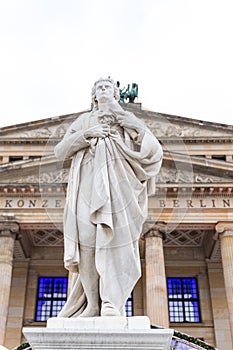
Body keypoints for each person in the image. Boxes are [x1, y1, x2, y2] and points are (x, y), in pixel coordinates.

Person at [54, 77, 163, 317]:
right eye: (99, 88)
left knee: (114, 241)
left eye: (108, 87)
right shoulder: (84, 121)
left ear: (116, 94)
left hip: (119, 188)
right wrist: (87, 135)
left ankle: (111, 302)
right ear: (93, 96)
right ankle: (92, 304)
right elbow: (60, 151)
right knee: (87, 242)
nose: (103, 90)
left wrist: (126, 120)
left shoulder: (127, 120)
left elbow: (152, 149)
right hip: (87, 185)